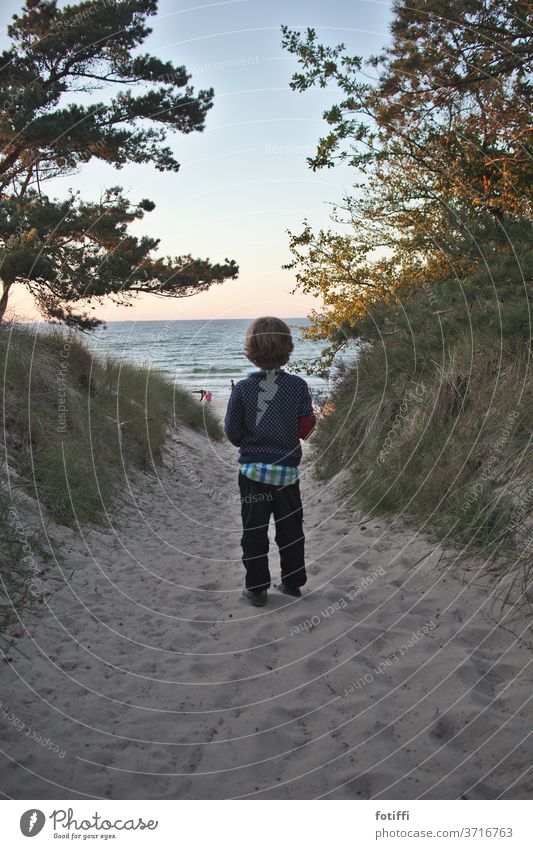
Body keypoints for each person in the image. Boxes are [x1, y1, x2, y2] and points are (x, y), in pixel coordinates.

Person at [224, 316, 316, 607]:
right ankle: (291, 582)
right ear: (287, 348)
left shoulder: (242, 389)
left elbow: (233, 432)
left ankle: (257, 588)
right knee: (291, 530)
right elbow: (306, 429)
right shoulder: (298, 386)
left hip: (253, 473)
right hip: (286, 473)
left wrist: (252, 442)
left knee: (254, 531)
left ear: (250, 350)